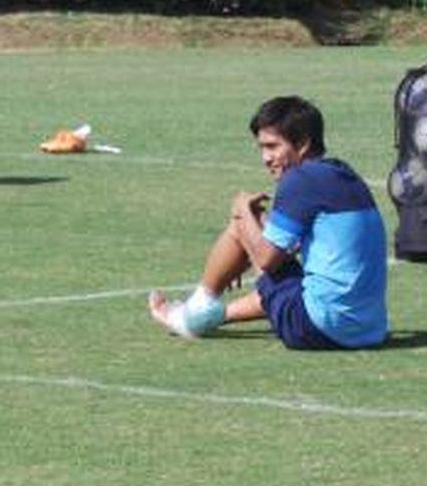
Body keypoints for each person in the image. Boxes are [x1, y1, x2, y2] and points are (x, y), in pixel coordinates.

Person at [149, 95, 388, 350]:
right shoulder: (343, 174)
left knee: (244, 220)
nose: (266, 158)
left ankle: (195, 311)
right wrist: (247, 246)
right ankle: (207, 316)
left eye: (273, 146)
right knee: (292, 281)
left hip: (315, 328)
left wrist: (242, 211)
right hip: (369, 331)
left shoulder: (299, 179)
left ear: (303, 144)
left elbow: (265, 260)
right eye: (262, 148)